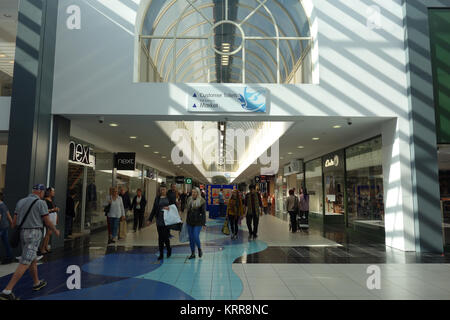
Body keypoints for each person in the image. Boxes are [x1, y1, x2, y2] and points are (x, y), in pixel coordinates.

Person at [0, 184, 60, 300]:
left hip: (22, 233)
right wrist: (55, 230)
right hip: (34, 234)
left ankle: (36, 282)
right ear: (41, 192)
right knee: (25, 261)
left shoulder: (21, 202)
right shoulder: (41, 203)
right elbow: (47, 221)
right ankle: (7, 291)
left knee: (32, 258)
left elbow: (14, 222)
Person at [147, 184, 175, 260]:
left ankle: (169, 249)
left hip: (167, 220)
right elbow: (154, 209)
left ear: (166, 190)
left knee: (165, 237)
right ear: (159, 190)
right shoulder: (157, 198)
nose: (162, 191)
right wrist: (150, 219)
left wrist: (169, 208)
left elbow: (174, 208)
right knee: (160, 238)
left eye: (164, 189)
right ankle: (161, 254)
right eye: (161, 189)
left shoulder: (169, 198)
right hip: (159, 220)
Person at [186, 188, 206, 259]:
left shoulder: (201, 201)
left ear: (198, 193)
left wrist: (204, 223)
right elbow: (188, 212)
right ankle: (192, 253)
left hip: (198, 222)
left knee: (195, 236)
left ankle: (199, 249)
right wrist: (186, 221)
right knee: (191, 238)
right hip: (190, 221)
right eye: (192, 192)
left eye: (195, 192)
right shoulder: (189, 200)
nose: (193, 193)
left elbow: (203, 213)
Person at [39, 187, 59, 254]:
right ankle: (42, 248)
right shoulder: (45, 201)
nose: (54, 193)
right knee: (48, 233)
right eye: (53, 191)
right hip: (49, 217)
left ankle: (46, 247)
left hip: (52, 217)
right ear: (49, 192)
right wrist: (53, 210)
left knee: (49, 233)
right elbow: (45, 210)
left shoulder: (51, 200)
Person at [0, 192, 13, 264]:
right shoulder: (4, 205)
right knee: (6, 242)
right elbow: (8, 215)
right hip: (5, 226)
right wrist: (12, 223)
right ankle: (9, 257)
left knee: (6, 242)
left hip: (0, 227)